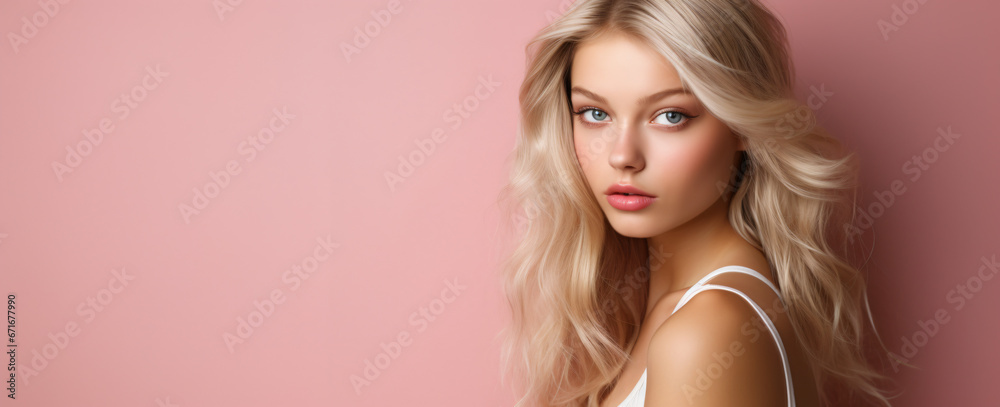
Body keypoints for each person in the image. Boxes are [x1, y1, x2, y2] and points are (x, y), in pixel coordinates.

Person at [496, 1, 903, 406]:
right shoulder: (673, 309)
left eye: (670, 116)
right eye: (594, 113)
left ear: (742, 124)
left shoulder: (707, 331)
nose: (622, 156)